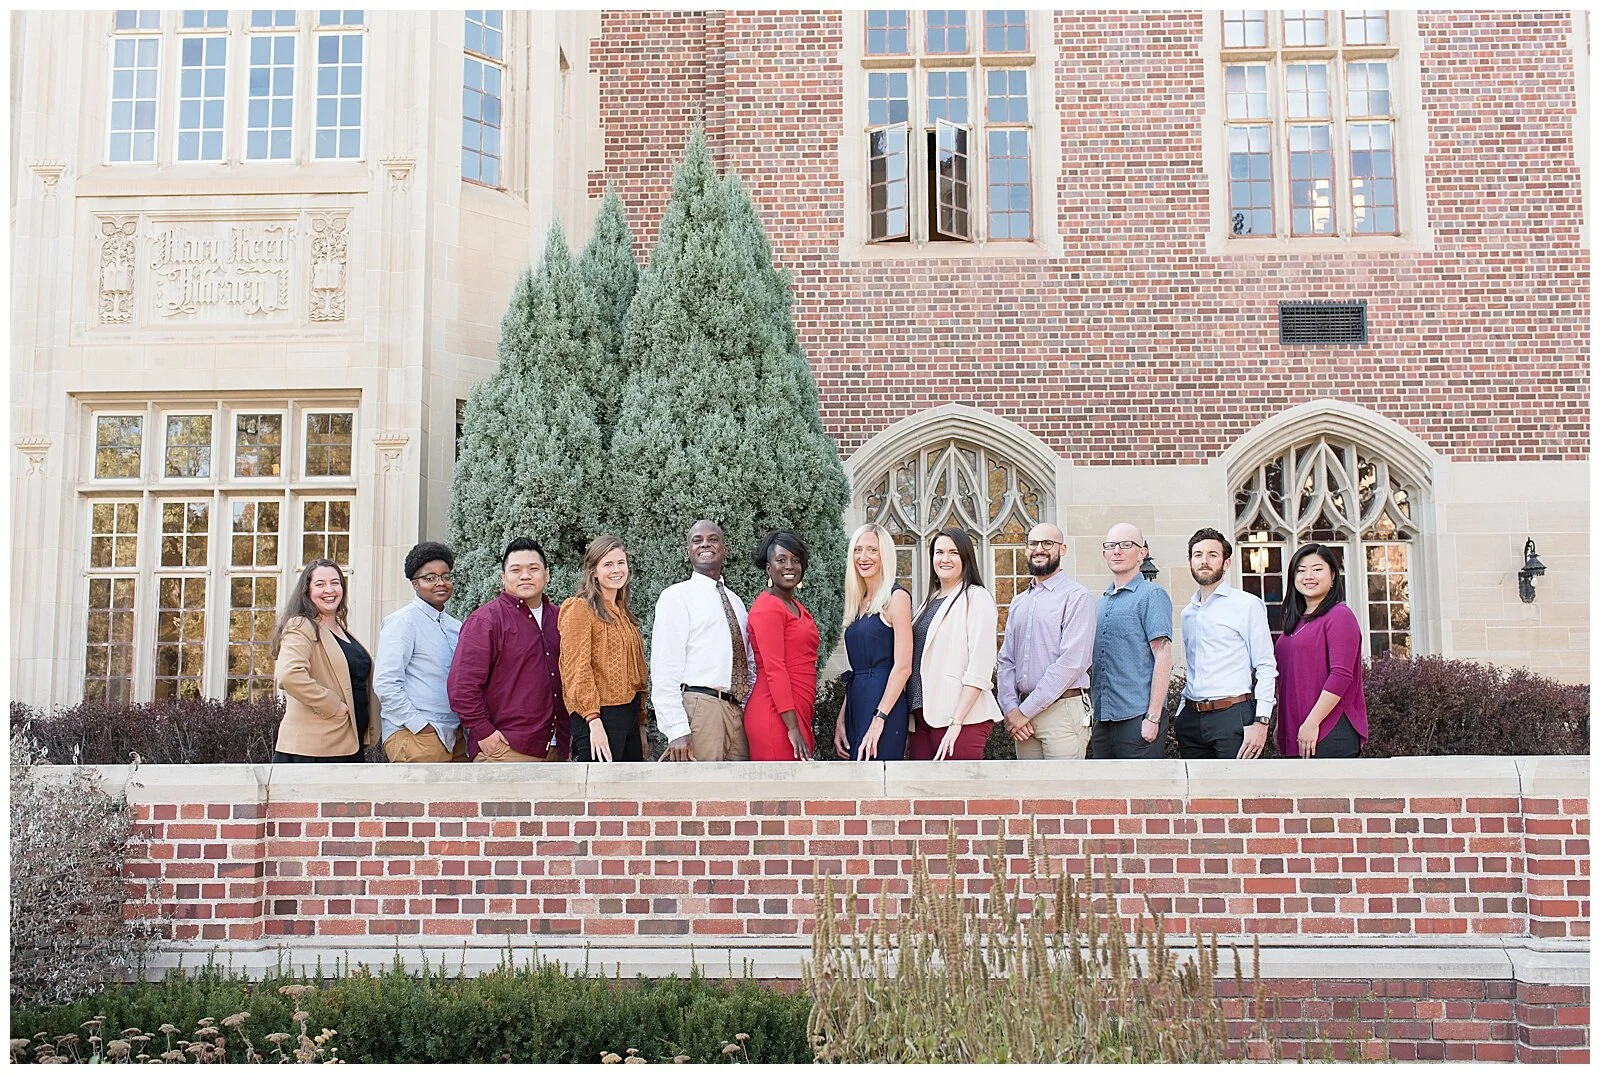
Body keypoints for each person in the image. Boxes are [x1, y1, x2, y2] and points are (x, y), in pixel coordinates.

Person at [447, 537, 569, 762]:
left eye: (533, 568)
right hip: (506, 749)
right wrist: (483, 731)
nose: (525, 575)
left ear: (547, 574)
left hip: (557, 749)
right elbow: (462, 686)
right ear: (503, 578)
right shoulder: (486, 621)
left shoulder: (562, 619)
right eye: (516, 570)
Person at [649, 520, 756, 762]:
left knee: (736, 795)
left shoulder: (736, 602)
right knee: (701, 793)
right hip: (700, 708)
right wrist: (676, 729)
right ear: (688, 552)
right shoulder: (676, 596)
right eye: (697, 540)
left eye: (713, 539)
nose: (705, 544)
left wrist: (749, 710)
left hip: (736, 711)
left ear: (724, 549)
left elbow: (748, 662)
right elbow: (665, 666)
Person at [996, 522, 1096, 760]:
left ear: (1062, 549)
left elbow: (1071, 663)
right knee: (1028, 794)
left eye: (1047, 543)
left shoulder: (1077, 597)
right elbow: (1006, 660)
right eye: (1033, 543)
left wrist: (1024, 711)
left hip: (1062, 712)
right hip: (1022, 716)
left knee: (1063, 793)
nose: (1039, 549)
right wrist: (1011, 709)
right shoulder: (1019, 602)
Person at [1176, 528, 1277, 760]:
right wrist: (1182, 713)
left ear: (1226, 562)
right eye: (1198, 554)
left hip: (1233, 717)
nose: (1204, 561)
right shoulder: (1188, 613)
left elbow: (1265, 665)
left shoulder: (1247, 605)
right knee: (1197, 795)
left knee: (1235, 793)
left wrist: (1262, 720)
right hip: (1191, 720)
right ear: (1190, 561)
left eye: (1212, 554)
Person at [270, 558, 379, 763]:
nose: (329, 590)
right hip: (313, 751)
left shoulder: (341, 631)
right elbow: (289, 675)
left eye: (335, 583)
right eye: (320, 584)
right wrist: (333, 705)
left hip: (347, 745)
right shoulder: (301, 625)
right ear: (307, 590)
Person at [908, 527, 1002, 761]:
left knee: (957, 796)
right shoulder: (928, 602)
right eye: (939, 552)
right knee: (923, 795)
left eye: (953, 553)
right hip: (922, 717)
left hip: (959, 719)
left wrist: (957, 721)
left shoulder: (976, 598)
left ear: (966, 558)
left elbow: (980, 667)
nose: (945, 559)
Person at [559, 535, 649, 763]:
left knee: (628, 794)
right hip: (599, 717)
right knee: (599, 795)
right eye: (607, 564)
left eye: (621, 563)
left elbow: (635, 676)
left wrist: (639, 725)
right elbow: (577, 669)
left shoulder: (623, 614)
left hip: (628, 717)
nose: (616, 570)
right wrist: (593, 721)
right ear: (593, 571)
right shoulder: (579, 609)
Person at [374, 541, 467, 762]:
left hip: (455, 736)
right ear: (415, 584)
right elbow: (386, 683)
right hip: (416, 735)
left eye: (446, 576)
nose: (440, 583)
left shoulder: (456, 627)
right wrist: (420, 726)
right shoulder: (403, 622)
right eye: (430, 578)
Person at [1090, 523, 1175, 759]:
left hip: (1138, 718)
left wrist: (1153, 717)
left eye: (1126, 545)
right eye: (1111, 545)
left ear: (1142, 553)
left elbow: (1163, 657)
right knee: (1105, 795)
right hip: (1104, 719)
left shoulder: (1151, 596)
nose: (1117, 551)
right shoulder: (1100, 603)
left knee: (1142, 794)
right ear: (1104, 553)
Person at [1274, 543, 1367, 759]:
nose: (1308, 576)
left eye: (1317, 569)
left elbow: (1341, 675)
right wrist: (1282, 722)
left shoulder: (1339, 616)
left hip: (1327, 730)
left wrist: (1313, 722)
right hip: (1298, 729)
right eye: (1301, 570)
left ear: (1333, 575)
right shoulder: (1295, 622)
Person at [835, 523, 912, 761]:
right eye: (858, 550)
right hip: (857, 701)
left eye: (872, 550)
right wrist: (841, 717)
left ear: (884, 555)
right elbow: (857, 671)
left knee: (879, 780)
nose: (863, 557)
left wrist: (880, 719)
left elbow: (903, 667)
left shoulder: (896, 598)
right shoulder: (857, 603)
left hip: (884, 705)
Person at [744, 531, 820, 761]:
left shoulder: (796, 606)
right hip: (775, 714)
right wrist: (792, 728)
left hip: (797, 710)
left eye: (796, 560)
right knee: (778, 794)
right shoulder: (767, 608)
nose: (790, 566)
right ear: (768, 569)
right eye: (781, 560)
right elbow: (775, 669)